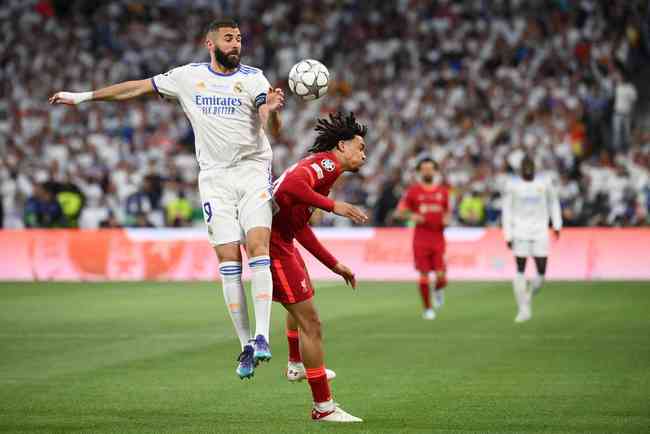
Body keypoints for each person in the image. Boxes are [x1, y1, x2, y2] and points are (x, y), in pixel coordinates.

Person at [49, 18, 285, 378]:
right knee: (227, 259)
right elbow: (136, 88)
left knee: (258, 247)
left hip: (252, 169)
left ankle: (263, 335)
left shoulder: (254, 78)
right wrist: (83, 97)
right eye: (228, 38)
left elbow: (270, 122)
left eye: (239, 38)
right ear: (210, 43)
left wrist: (271, 110)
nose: (236, 44)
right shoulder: (187, 77)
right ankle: (245, 346)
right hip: (214, 177)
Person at [271, 112, 367, 422]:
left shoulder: (325, 171)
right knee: (311, 323)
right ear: (342, 146)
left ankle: (296, 364)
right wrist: (334, 206)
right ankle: (323, 407)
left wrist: (335, 264)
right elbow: (287, 189)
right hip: (272, 241)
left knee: (303, 301)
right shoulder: (325, 164)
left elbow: (299, 227)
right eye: (360, 147)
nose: (364, 154)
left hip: (283, 238)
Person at [502, 154, 562, 323]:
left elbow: (553, 203)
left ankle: (527, 295)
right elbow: (506, 210)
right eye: (525, 167)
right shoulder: (512, 186)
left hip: (540, 231)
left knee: (541, 272)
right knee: (520, 269)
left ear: (534, 168)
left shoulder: (544, 183)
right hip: (519, 232)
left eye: (530, 166)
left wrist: (557, 224)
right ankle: (523, 309)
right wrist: (507, 234)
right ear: (520, 169)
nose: (528, 170)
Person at [395, 158, 450, 320]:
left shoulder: (443, 192)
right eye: (424, 169)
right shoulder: (414, 192)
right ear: (420, 172)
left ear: (435, 171)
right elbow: (399, 212)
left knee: (441, 276)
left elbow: (447, 212)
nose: (427, 172)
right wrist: (412, 216)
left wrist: (447, 219)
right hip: (421, 240)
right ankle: (427, 309)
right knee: (424, 276)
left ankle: (438, 289)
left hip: (438, 239)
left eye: (430, 169)